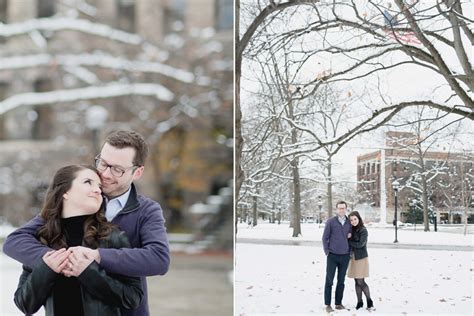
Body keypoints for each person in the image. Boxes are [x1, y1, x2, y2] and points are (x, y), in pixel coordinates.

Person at [4, 130, 170, 316]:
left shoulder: (146, 211)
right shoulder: (74, 205)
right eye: (103, 163)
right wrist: (58, 260)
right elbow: (15, 241)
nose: (105, 174)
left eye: (117, 169)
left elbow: (159, 259)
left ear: (137, 172)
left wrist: (97, 256)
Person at [14, 165, 143, 315]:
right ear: (65, 192)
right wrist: (46, 269)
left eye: (99, 186)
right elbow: (24, 304)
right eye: (88, 182)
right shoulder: (42, 240)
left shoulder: (113, 236)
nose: (98, 190)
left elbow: (133, 297)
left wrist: (88, 273)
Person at [322, 201, 352, 313]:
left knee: (341, 281)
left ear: (346, 209)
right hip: (332, 256)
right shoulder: (331, 222)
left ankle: (338, 303)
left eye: (343, 208)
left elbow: (352, 238)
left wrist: (350, 253)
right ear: (336, 209)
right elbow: (325, 238)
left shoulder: (349, 222)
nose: (341, 210)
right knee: (329, 280)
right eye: (339, 208)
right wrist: (327, 252)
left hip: (345, 256)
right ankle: (328, 304)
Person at [347, 211, 374, 310]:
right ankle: (359, 301)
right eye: (351, 220)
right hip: (353, 258)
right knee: (356, 281)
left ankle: (369, 300)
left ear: (359, 219)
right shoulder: (351, 230)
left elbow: (360, 244)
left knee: (361, 281)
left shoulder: (363, 230)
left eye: (355, 219)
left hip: (361, 258)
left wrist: (349, 241)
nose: (353, 221)